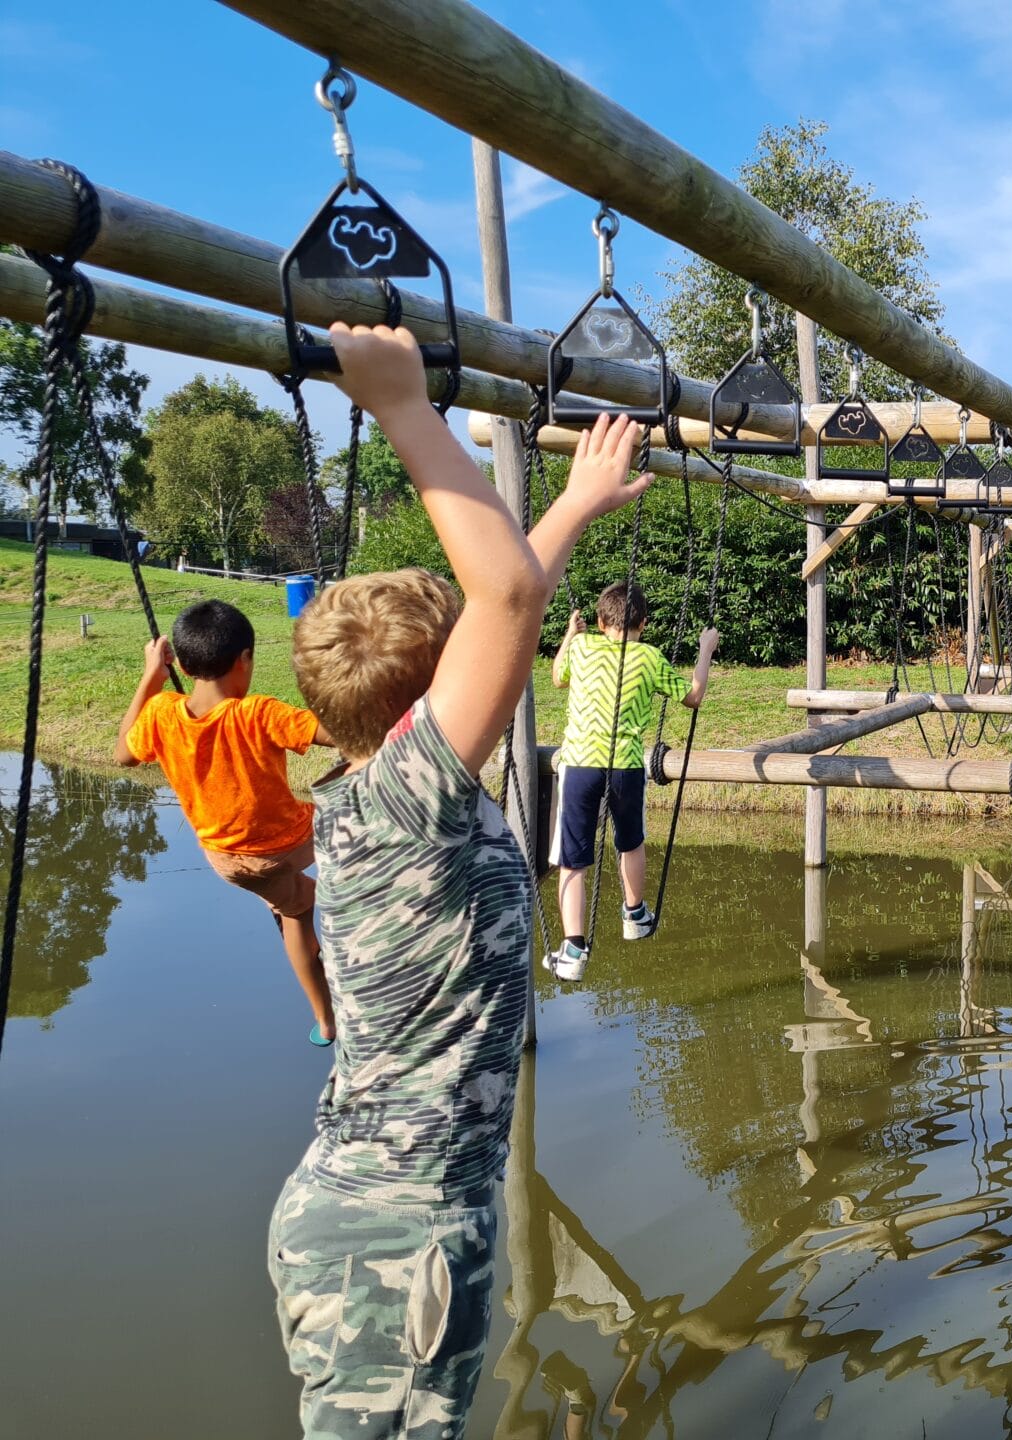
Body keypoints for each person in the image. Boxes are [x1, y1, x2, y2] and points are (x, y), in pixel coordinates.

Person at [270, 322, 650, 1440]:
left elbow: (510, 599)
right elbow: (510, 604)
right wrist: (401, 405)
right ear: (430, 706)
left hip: (387, 1216)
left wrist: (577, 503)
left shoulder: (376, 797)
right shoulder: (408, 798)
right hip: (398, 1238)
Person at [114, 599, 335, 1044]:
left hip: (228, 862)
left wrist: (151, 676)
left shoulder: (161, 713)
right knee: (351, 813)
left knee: (295, 911)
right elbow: (337, 734)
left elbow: (122, 754)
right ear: (244, 659)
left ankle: (326, 1022)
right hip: (291, 843)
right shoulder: (256, 713)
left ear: (185, 661)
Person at [544, 582, 717, 979]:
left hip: (580, 765)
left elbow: (557, 677)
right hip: (625, 764)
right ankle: (635, 913)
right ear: (644, 622)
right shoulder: (651, 658)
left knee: (573, 860)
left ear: (602, 621)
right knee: (630, 841)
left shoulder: (584, 648)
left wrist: (572, 632)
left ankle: (572, 950)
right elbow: (692, 697)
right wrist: (705, 651)